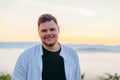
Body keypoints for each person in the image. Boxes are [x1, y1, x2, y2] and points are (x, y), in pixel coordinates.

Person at [12, 14, 81, 80]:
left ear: (58, 29)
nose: (48, 33)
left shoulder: (72, 54)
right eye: (44, 31)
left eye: (52, 29)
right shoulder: (26, 56)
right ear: (38, 32)